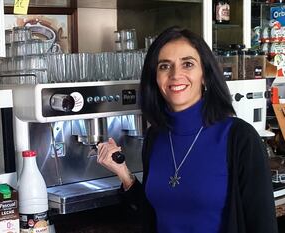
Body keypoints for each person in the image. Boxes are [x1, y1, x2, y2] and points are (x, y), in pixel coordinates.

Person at [97, 26, 278, 233]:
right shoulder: (155, 137)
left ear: (205, 75)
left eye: (188, 64)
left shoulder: (240, 138)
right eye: (165, 66)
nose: (176, 75)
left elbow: (263, 225)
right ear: (155, 77)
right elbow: (156, 214)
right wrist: (123, 173)